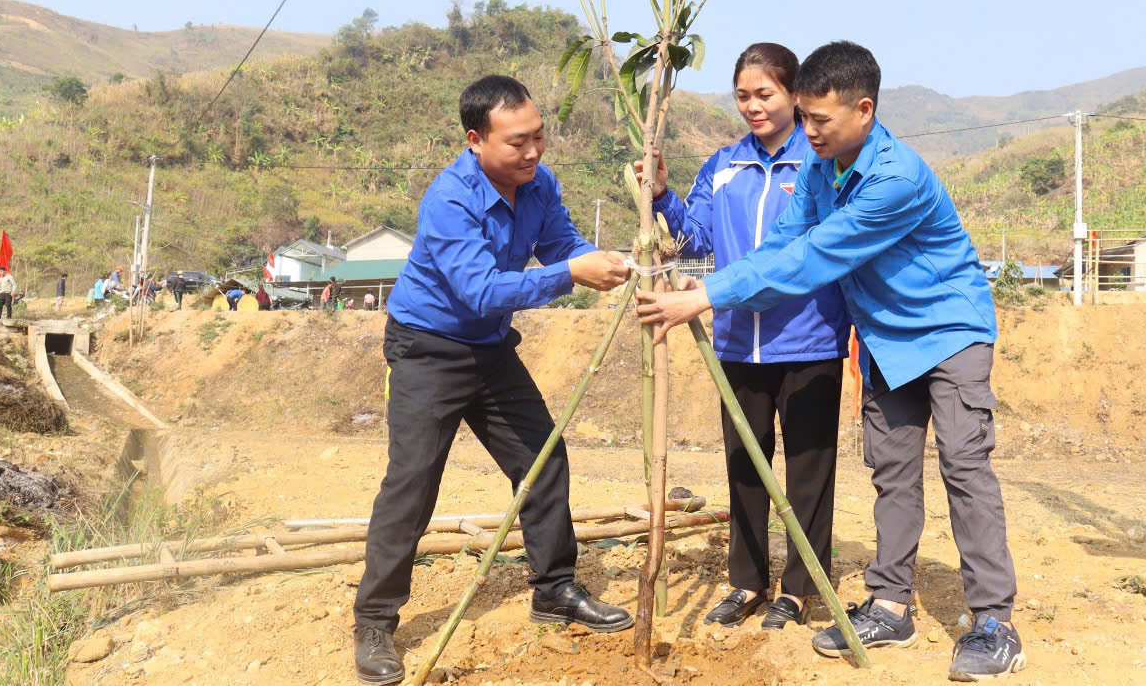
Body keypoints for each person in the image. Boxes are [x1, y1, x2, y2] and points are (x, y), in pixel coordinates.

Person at [636, 42, 1023, 681]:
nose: (807, 130)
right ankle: (890, 602)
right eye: (805, 117)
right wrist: (711, 286)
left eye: (819, 120)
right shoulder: (821, 168)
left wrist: (708, 294)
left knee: (963, 467)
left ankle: (993, 622)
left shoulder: (894, 179)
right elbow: (785, 241)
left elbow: (814, 257)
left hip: (949, 333)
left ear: (864, 110)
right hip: (884, 342)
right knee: (892, 473)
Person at [352, 74, 632, 685]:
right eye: (517, 143)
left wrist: (599, 260)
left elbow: (563, 242)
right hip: (429, 347)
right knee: (413, 481)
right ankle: (375, 622)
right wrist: (570, 274)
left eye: (538, 138)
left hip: (489, 347)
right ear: (476, 140)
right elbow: (478, 291)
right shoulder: (449, 198)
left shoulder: (539, 183)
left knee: (542, 459)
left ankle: (554, 589)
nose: (532, 153)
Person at [635, 43, 851, 631]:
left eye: (765, 94)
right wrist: (660, 194)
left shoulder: (821, 164)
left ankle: (802, 588)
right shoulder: (723, 165)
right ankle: (747, 581)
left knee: (810, 468)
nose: (752, 106)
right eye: (743, 96)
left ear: (795, 95)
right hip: (737, 341)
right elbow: (696, 236)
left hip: (809, 338)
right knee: (743, 466)